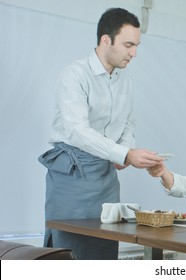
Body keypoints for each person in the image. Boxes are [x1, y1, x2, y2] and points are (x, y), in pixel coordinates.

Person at [38, 8, 163, 260]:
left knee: (105, 246)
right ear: (106, 40)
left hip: (106, 176)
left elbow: (129, 120)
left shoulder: (124, 78)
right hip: (72, 174)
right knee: (68, 249)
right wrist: (125, 153)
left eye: (136, 45)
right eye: (128, 45)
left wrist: (122, 155)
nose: (134, 53)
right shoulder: (74, 74)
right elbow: (77, 132)